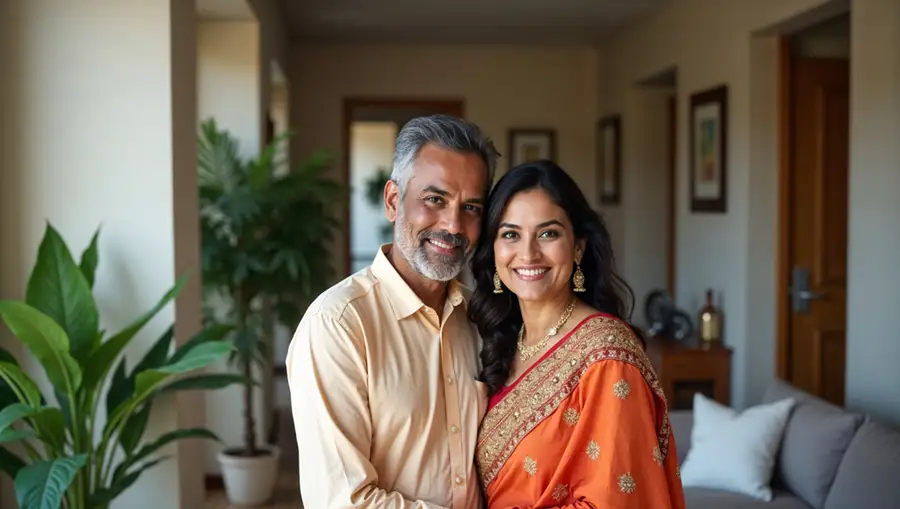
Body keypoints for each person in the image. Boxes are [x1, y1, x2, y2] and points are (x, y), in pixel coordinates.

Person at [286, 114, 499, 509]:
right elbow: (341, 501)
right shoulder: (338, 325)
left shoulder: (481, 318)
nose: (453, 225)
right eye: (435, 199)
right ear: (393, 201)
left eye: (471, 207)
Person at [468, 160, 686, 508]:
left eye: (548, 233)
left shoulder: (608, 356)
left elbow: (619, 499)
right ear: (493, 250)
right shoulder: (497, 340)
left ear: (579, 247)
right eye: (510, 234)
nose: (528, 253)